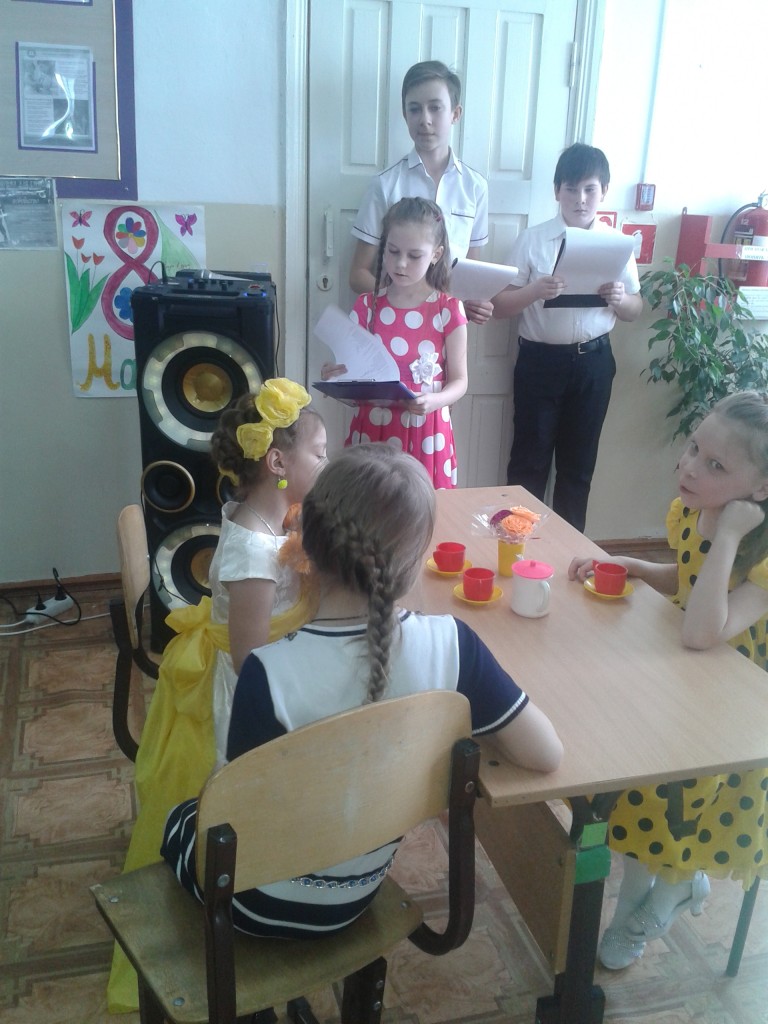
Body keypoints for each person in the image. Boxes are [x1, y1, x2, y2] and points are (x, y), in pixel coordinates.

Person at [162, 443, 563, 938]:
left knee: (181, 816)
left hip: (252, 906)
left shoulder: (267, 672)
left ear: (306, 545)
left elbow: (236, 820)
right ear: (414, 563)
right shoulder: (454, 645)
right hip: (356, 892)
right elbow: (546, 754)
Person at [107, 379, 327, 1012]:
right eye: (320, 453)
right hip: (248, 702)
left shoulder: (268, 516)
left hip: (260, 674)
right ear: (278, 461)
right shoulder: (253, 551)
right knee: (250, 808)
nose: (328, 463)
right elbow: (251, 664)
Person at [568, 391, 768, 970]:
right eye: (694, 448)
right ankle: (657, 894)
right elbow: (687, 580)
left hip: (733, 708)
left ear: (760, 490)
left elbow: (705, 631)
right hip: (681, 681)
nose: (690, 467)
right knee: (640, 789)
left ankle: (663, 897)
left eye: (716, 465)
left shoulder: (759, 553)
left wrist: (728, 536)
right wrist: (634, 567)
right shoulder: (688, 512)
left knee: (670, 804)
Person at [493, 143, 643, 532]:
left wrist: (620, 299)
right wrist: (534, 291)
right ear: (557, 191)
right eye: (571, 189)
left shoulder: (617, 243)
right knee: (528, 465)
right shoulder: (532, 240)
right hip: (540, 363)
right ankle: (515, 547)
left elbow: (635, 309)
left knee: (578, 468)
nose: (580, 199)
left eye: (590, 189)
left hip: (594, 363)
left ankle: (569, 555)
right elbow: (499, 305)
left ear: (604, 192)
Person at [332, 196, 468, 489]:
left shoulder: (448, 309)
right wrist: (336, 377)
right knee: (369, 504)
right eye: (392, 251)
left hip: (426, 432)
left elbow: (460, 381)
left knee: (421, 507)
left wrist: (434, 401)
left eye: (414, 255)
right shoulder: (366, 306)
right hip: (373, 430)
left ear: (436, 254)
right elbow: (353, 378)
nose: (401, 263)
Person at [349, 59, 493, 325]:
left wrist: (476, 304)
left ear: (455, 113)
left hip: (449, 327)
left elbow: (472, 275)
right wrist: (407, 302)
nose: (425, 120)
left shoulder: (475, 187)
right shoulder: (385, 185)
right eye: (414, 109)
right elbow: (358, 274)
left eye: (435, 108)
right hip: (394, 324)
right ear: (405, 115)